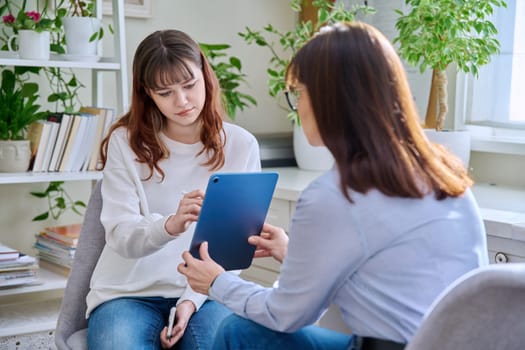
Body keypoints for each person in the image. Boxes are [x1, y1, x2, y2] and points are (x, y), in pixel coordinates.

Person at [178, 21, 488, 350]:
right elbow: (385, 272)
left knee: (237, 332)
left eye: (299, 93)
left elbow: (287, 315)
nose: (297, 107)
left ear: (330, 100)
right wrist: (293, 251)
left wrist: (216, 282)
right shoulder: (442, 172)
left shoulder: (336, 194)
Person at [85, 29, 261, 350]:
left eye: (190, 85)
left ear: (205, 77)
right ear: (147, 93)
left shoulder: (240, 145)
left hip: (210, 292)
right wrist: (169, 225)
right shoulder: (125, 143)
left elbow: (233, 248)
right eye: (165, 92)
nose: (181, 101)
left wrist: (190, 301)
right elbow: (120, 237)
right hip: (127, 293)